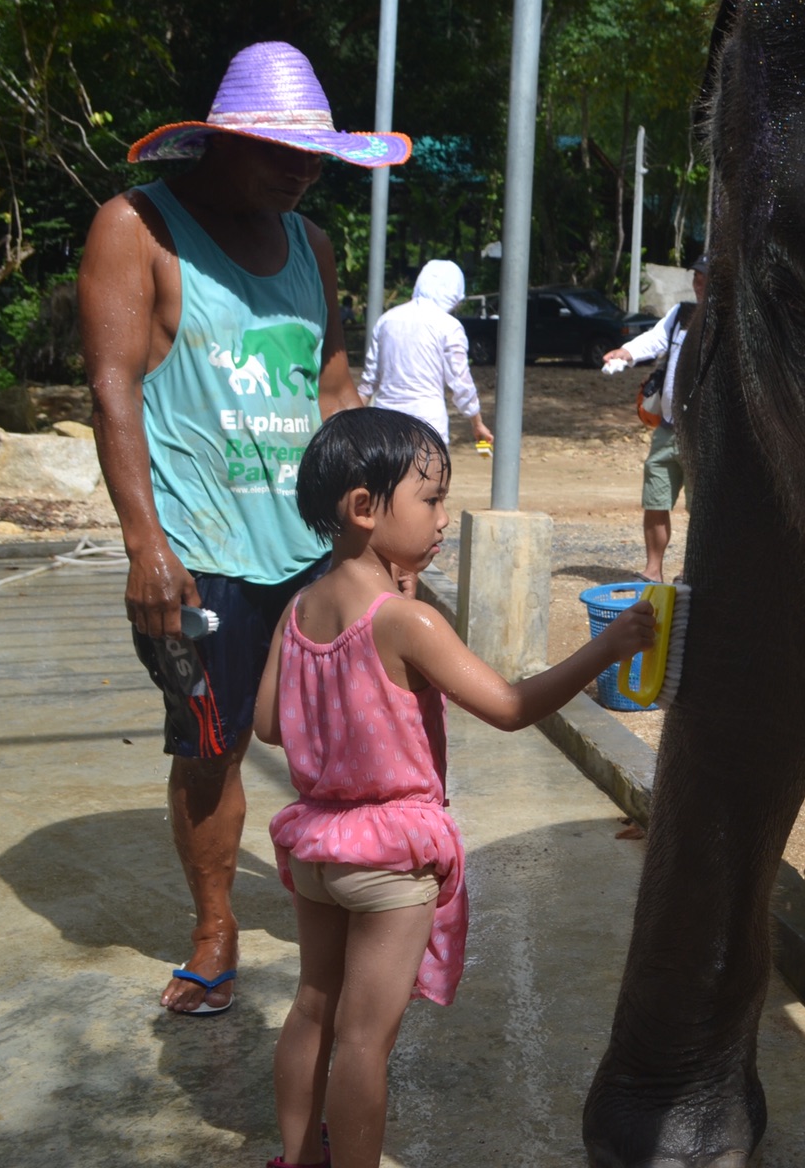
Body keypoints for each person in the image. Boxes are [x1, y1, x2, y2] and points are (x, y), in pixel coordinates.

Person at [78, 41, 410, 1016]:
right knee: (212, 744)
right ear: (219, 142)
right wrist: (146, 544)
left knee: (349, 737)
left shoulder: (310, 245)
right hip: (202, 556)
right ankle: (215, 922)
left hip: (313, 552)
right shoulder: (138, 228)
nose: (302, 168)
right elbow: (113, 389)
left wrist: (378, 535)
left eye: (313, 155)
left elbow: (333, 388)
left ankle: (334, 903)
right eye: (278, 149)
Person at [254, 406, 655, 1168]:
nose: (444, 518)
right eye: (431, 500)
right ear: (365, 509)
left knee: (314, 1007)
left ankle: (300, 1159)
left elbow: (271, 724)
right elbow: (508, 707)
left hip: (315, 846)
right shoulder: (408, 622)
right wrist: (605, 649)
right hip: (390, 856)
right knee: (366, 1041)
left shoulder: (296, 610)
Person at [602, 259, 703, 582]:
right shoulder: (681, 315)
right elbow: (654, 339)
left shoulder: (729, 320)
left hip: (703, 436)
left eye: (707, 277)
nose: (700, 283)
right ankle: (653, 569)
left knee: (701, 511)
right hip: (668, 428)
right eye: (696, 276)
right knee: (655, 501)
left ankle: (693, 572)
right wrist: (625, 353)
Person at [357, 258, 494, 447]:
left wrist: (349, 422)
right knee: (426, 476)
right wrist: (477, 423)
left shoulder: (386, 320)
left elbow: (368, 383)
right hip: (428, 427)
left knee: (386, 477)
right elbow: (461, 383)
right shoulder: (449, 326)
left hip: (384, 428)